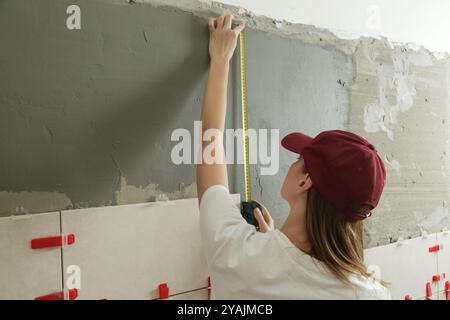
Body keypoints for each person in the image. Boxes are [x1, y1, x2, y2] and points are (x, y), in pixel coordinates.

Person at [196, 14, 390, 299]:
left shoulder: (241, 256)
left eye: (298, 160)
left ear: (305, 182)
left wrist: (221, 60)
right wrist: (275, 245)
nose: (293, 164)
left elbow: (210, 144)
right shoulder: (371, 293)